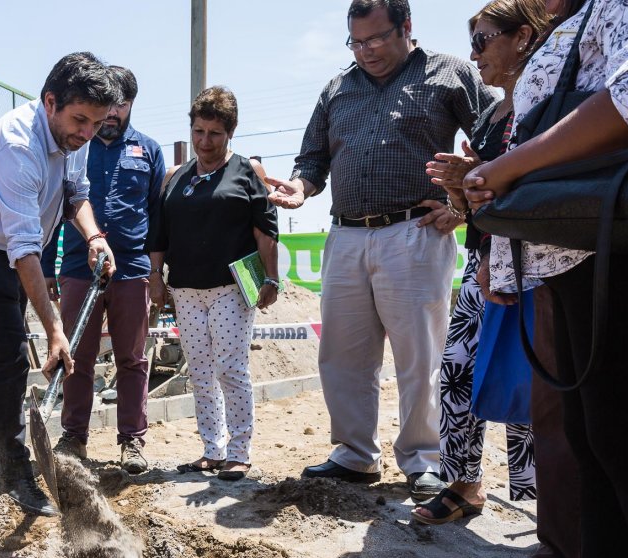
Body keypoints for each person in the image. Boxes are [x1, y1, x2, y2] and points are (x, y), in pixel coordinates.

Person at [462, 0, 628, 558]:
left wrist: (507, 167)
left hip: (617, 252)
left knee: (627, 444)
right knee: (596, 441)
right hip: (573, 255)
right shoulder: (572, 22)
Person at [268, 0, 497, 501]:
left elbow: (496, 137)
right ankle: (353, 454)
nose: (365, 51)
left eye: (375, 39)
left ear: (406, 27)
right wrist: (300, 189)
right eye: (356, 41)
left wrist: (464, 209)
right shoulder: (337, 87)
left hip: (414, 232)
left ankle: (424, 459)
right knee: (343, 353)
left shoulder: (450, 74)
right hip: (346, 235)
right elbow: (312, 160)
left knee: (419, 354)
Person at [0, 52, 119, 517]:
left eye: (96, 124)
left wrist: (95, 236)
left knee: (3, 348)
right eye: (79, 119)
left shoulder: (75, 139)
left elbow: (75, 195)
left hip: (19, 249)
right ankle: (12, 466)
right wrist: (56, 330)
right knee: (14, 347)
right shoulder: (16, 146)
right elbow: (22, 250)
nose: (86, 133)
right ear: (49, 101)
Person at [411, 0, 551, 525]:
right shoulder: (492, 114)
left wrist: (483, 176)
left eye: (483, 41)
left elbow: (534, 185)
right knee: (455, 372)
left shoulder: (545, 107)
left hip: (533, 262)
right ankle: (463, 485)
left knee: (524, 379)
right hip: (485, 259)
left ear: (522, 38)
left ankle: (544, 508)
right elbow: (479, 203)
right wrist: (459, 190)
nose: (475, 56)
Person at [148, 86, 280, 482]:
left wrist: (271, 278)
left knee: (230, 369)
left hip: (231, 288)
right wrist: (156, 278)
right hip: (185, 290)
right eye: (199, 131)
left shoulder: (246, 172)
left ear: (231, 132)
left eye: (215, 134)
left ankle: (239, 451)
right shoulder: (176, 177)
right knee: (200, 372)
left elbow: (265, 230)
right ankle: (212, 449)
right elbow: (159, 234)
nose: (205, 141)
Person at [41, 66, 165, 474]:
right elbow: (56, 208)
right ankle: (73, 436)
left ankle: (132, 441)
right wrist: (47, 268)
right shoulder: (77, 145)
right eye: (106, 106)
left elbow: (158, 217)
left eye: (120, 105)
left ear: (131, 105)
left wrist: (157, 274)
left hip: (132, 271)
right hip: (79, 268)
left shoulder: (148, 151)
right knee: (77, 356)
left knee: (132, 359)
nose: (111, 114)